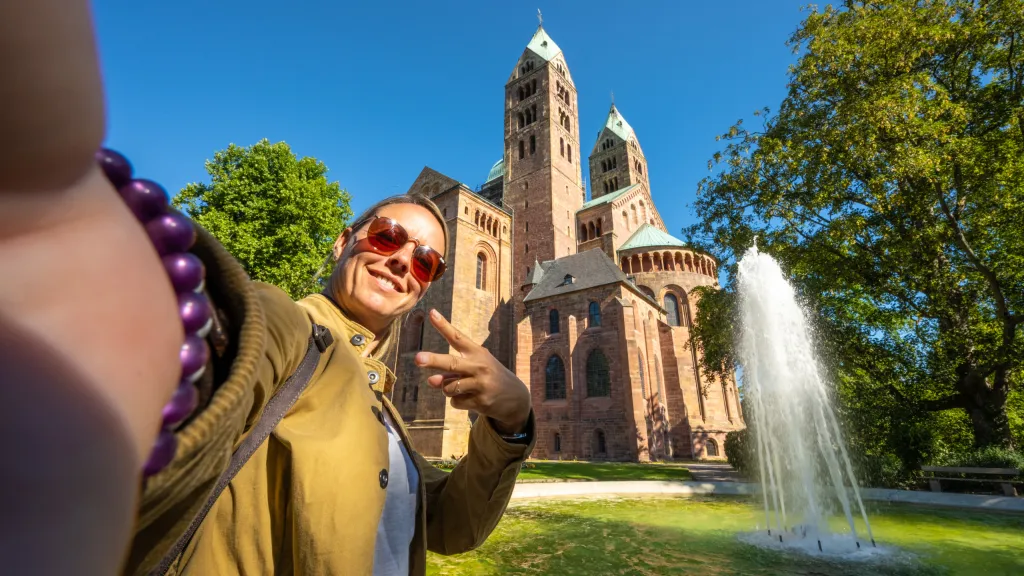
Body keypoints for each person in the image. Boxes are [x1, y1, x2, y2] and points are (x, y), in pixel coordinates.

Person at [0, 2, 534, 575]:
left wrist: (512, 420)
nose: (404, 261)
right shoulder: (289, 332)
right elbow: (222, 345)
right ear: (341, 243)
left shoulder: (380, 402)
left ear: (425, 286)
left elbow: (449, 525)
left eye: (426, 261)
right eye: (387, 237)